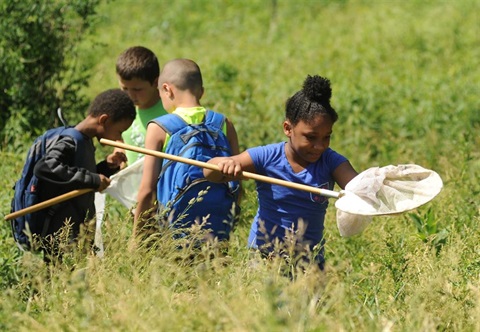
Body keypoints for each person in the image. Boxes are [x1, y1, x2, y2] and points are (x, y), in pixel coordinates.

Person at [204, 75, 358, 271]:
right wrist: (224, 164)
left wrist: (371, 187)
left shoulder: (331, 161)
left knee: (313, 303)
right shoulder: (267, 156)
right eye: (310, 137)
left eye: (326, 137)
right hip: (264, 257)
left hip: (309, 261)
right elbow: (210, 172)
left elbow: (357, 186)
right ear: (288, 128)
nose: (319, 146)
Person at [134, 58, 240, 241]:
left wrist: (137, 238)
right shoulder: (224, 124)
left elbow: (147, 190)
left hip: (174, 231)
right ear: (202, 91)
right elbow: (237, 179)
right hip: (217, 228)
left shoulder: (159, 128)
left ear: (167, 89)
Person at [33, 89, 136, 261]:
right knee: (59, 277)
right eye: (119, 131)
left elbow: (76, 177)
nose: (119, 138)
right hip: (60, 231)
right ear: (104, 120)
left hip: (77, 228)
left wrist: (107, 167)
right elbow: (45, 167)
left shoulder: (85, 141)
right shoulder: (70, 140)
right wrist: (93, 179)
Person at [115, 46, 168, 163]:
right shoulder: (121, 111)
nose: (130, 95)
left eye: (137, 89)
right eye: (124, 88)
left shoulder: (170, 111)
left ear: (156, 82)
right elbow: (121, 139)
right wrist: (118, 152)